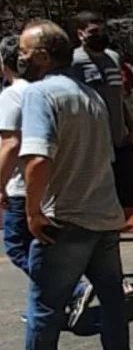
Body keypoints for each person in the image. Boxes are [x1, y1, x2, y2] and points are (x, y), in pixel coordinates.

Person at [0, 20, 133, 350]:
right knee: (111, 301)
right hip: (103, 215)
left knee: (44, 303)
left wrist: (32, 212)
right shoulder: (89, 95)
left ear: (42, 56)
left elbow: (37, 158)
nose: (19, 58)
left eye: (25, 52)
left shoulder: (39, 95)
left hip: (65, 218)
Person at [0, 35, 92, 326]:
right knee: (42, 247)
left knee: (17, 245)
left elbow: (11, 145)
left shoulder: (12, 94)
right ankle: (55, 301)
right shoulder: (46, 90)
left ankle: (69, 292)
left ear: (4, 65)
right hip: (55, 181)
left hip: (22, 184)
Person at [71, 11, 133, 296]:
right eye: (92, 32)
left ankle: (102, 258)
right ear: (80, 34)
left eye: (102, 30)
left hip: (120, 141)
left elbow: (117, 95)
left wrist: (129, 122)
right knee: (105, 212)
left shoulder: (112, 57)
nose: (99, 36)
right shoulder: (72, 63)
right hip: (96, 149)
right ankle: (112, 276)